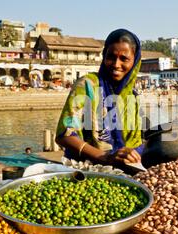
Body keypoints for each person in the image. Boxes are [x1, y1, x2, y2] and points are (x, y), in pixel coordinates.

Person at [56, 29, 143, 167]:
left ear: (135, 61)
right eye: (111, 57)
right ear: (104, 56)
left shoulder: (133, 96)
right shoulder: (87, 85)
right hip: (87, 168)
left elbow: (137, 141)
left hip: (124, 170)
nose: (116, 64)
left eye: (124, 59)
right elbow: (64, 135)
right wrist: (105, 157)